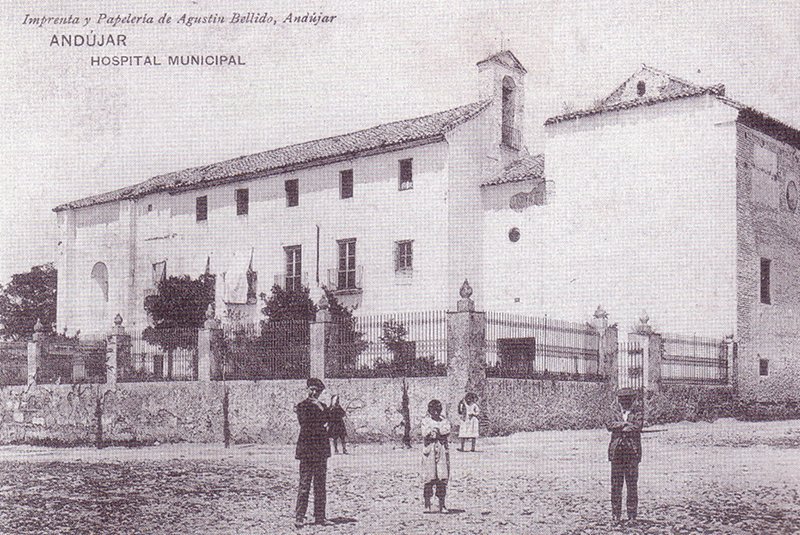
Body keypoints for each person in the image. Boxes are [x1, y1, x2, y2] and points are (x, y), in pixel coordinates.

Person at [294, 377, 332, 528]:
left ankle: (320, 517)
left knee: (320, 485)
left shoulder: (323, 406)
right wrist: (322, 423)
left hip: (321, 451)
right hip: (307, 451)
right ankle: (299, 517)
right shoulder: (302, 406)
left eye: (317, 390)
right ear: (308, 389)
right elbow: (305, 423)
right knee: (304, 485)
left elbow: (331, 421)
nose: (314, 392)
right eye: (312, 389)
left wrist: (321, 409)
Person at [606, 387, 643, 525]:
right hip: (617, 453)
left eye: (628, 398)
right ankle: (616, 515)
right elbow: (609, 425)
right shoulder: (614, 412)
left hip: (632, 452)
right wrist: (625, 424)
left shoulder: (638, 412)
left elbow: (638, 426)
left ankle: (632, 515)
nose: (625, 401)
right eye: (622, 398)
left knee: (632, 484)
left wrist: (622, 427)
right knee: (616, 485)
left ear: (632, 400)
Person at [420, 399, 451, 514]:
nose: (436, 413)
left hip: (442, 450)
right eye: (433, 411)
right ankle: (427, 505)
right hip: (430, 451)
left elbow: (446, 431)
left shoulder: (444, 421)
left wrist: (438, 432)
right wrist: (433, 432)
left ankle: (442, 505)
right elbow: (425, 433)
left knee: (442, 478)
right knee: (429, 478)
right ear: (430, 411)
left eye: (437, 410)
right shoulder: (425, 421)